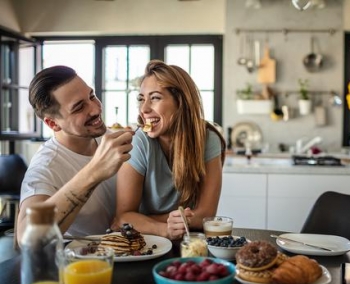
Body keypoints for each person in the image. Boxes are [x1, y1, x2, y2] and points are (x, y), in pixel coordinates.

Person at [17, 65, 134, 243]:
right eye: (79, 107)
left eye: (92, 96)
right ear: (52, 124)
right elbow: (25, 238)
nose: (95, 109)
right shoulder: (46, 167)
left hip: (141, 253)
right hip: (86, 264)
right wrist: (94, 172)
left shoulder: (113, 139)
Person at [111, 60, 226, 240]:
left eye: (155, 98)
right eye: (141, 99)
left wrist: (146, 220)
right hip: (146, 241)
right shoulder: (140, 142)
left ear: (181, 102)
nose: (144, 109)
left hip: (189, 240)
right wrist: (165, 227)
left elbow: (206, 215)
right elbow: (122, 218)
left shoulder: (207, 139)